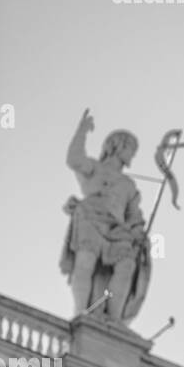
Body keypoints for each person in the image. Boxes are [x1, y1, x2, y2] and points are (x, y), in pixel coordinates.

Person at [60, 109, 150, 325]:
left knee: (127, 266)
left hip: (118, 231)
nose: (132, 155)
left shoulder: (129, 186)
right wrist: (82, 131)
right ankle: (82, 312)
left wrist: (139, 234)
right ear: (117, 146)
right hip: (90, 218)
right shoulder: (95, 168)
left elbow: (134, 217)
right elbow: (73, 160)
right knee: (85, 263)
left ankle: (114, 319)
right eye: (130, 149)